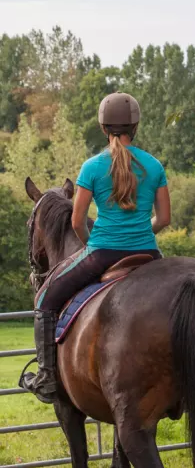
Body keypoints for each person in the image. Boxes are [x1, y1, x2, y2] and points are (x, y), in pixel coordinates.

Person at [21, 92, 171, 403]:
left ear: (103, 128)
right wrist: (144, 231)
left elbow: (77, 222)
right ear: (136, 126)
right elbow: (166, 218)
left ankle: (48, 376)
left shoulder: (92, 167)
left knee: (47, 300)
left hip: (102, 251)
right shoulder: (154, 165)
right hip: (149, 252)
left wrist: (93, 245)